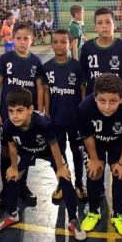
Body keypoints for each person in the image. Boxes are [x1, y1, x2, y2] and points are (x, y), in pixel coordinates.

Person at [0, 88, 86, 241]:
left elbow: (54, 144)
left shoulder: (43, 123)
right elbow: (12, 146)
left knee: (65, 179)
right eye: (11, 111)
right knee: (12, 177)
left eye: (19, 110)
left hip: (49, 150)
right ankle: (12, 214)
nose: (15, 116)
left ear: (30, 109)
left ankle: (73, 220)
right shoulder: (8, 126)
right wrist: (14, 167)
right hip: (28, 150)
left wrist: (61, 167)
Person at [0, 23, 44, 208]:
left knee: (25, 151)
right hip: (8, 114)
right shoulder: (5, 59)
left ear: (32, 40)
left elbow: (39, 87)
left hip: (27, 117)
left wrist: (39, 110)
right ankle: (7, 188)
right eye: (18, 38)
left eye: (26, 38)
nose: (22, 42)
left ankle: (22, 186)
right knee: (7, 151)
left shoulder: (35, 62)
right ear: (12, 39)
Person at [79, 74, 122, 237]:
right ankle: (93, 211)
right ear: (95, 97)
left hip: (117, 143)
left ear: (121, 99)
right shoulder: (85, 107)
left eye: (113, 101)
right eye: (102, 101)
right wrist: (95, 159)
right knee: (94, 171)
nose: (107, 107)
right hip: (95, 143)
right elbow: (87, 136)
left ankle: (118, 215)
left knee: (120, 174)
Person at [42, 29, 87, 201]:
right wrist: (46, 114)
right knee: (58, 152)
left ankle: (79, 184)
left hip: (75, 119)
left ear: (70, 44)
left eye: (63, 42)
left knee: (77, 151)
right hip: (55, 119)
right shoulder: (47, 68)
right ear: (51, 44)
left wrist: (83, 113)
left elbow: (83, 90)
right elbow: (46, 92)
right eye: (56, 42)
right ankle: (62, 182)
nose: (59, 45)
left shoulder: (76, 66)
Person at [80, 7, 122, 95]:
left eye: (108, 22)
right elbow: (83, 73)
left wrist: (119, 82)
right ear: (95, 27)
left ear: (115, 25)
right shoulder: (87, 47)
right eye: (100, 23)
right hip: (93, 98)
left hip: (116, 98)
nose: (104, 26)